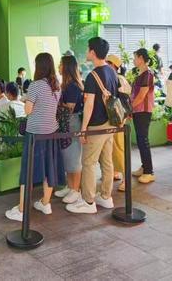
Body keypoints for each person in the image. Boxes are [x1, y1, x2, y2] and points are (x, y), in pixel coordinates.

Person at [6, 53, 64, 221]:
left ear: (39, 66)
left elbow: (28, 110)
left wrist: (27, 101)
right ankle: (46, 203)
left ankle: (22, 210)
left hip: (35, 134)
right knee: (49, 169)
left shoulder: (35, 85)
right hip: (51, 132)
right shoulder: (56, 85)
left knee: (27, 171)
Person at [66, 37, 118, 214]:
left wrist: (83, 129)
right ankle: (106, 197)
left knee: (88, 163)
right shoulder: (111, 71)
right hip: (110, 124)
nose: (87, 52)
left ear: (93, 52)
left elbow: (89, 105)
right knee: (107, 161)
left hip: (96, 125)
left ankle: (88, 201)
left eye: (88, 49)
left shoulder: (92, 76)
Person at [54, 54, 84, 204]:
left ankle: (76, 190)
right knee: (67, 156)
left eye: (60, 64)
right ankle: (70, 186)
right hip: (66, 123)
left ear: (66, 67)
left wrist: (55, 103)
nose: (58, 67)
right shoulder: (66, 85)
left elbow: (70, 108)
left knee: (74, 157)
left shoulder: (73, 86)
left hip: (72, 123)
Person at [130, 48, 156, 184]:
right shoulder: (141, 74)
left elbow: (141, 96)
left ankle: (149, 172)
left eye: (135, 57)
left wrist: (129, 108)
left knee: (143, 140)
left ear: (141, 58)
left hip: (143, 111)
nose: (133, 60)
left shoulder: (148, 74)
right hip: (138, 110)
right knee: (141, 140)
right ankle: (144, 167)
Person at [106, 54, 129, 191]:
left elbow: (123, 101)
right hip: (116, 118)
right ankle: (117, 172)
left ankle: (126, 179)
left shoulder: (119, 79)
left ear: (114, 65)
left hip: (118, 118)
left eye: (108, 63)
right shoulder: (117, 78)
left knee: (119, 148)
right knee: (115, 147)